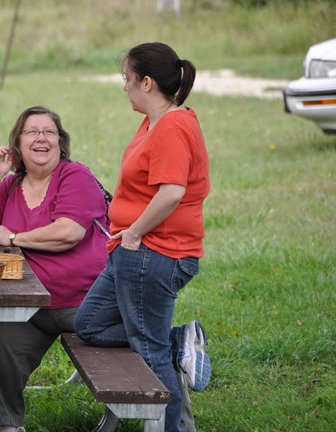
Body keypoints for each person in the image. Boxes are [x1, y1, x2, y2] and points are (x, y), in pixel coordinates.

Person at [74, 42, 211, 432]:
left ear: (147, 82)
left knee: (149, 352)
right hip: (130, 251)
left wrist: (133, 233)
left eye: (127, 79)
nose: (124, 87)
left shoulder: (173, 125)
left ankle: (173, 427)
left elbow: (172, 192)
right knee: (90, 325)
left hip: (154, 253)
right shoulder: (154, 121)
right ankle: (177, 341)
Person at [0, 106, 110, 432]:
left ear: (60, 142)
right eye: (31, 132)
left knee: (122, 345)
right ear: (18, 144)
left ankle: (175, 348)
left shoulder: (75, 176)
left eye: (49, 132)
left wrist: (15, 237)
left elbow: (68, 232)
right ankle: (6, 425)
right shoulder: (10, 186)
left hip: (85, 304)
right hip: (31, 305)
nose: (41, 138)